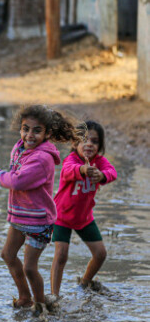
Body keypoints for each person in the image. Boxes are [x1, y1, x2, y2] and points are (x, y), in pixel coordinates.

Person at [0, 105, 76, 314]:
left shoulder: (43, 159)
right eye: (25, 129)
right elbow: (15, 170)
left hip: (39, 221)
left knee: (29, 267)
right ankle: (25, 297)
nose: (29, 135)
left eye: (36, 130)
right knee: (7, 255)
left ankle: (41, 305)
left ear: (47, 134)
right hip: (19, 216)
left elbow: (17, 181)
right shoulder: (19, 147)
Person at [50, 121, 117, 296]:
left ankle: (85, 282)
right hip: (62, 216)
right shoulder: (71, 159)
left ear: (99, 146)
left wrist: (102, 175)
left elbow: (112, 172)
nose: (89, 144)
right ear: (74, 143)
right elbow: (67, 170)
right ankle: (54, 296)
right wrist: (83, 169)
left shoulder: (100, 162)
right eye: (84, 140)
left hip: (84, 218)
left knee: (101, 253)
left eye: (94, 142)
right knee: (62, 255)